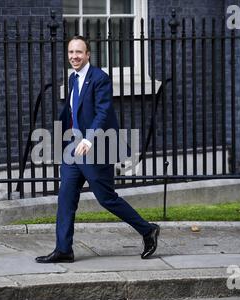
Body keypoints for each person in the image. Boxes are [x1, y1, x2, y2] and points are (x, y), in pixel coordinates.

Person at [35, 36, 159, 263]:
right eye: (71, 52)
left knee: (106, 198)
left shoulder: (99, 78)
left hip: (96, 148)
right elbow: (73, 112)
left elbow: (103, 112)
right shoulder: (73, 78)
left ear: (88, 54)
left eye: (79, 52)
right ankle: (63, 249)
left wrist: (89, 139)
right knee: (65, 197)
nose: (74, 56)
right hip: (74, 149)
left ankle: (147, 230)